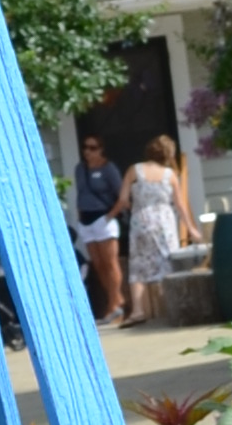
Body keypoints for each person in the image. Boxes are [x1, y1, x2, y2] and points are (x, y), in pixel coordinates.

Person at [121, 133, 192, 322]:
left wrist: (136, 207)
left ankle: (138, 311)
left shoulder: (134, 170)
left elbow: (123, 199)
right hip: (164, 223)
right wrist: (191, 228)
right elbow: (180, 205)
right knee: (167, 262)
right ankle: (170, 308)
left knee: (138, 265)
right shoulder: (170, 175)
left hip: (141, 220)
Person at [72, 129, 128, 326]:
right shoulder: (80, 169)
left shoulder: (108, 169)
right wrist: (79, 215)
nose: (88, 151)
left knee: (110, 262)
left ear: (101, 149)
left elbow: (122, 196)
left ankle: (114, 304)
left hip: (103, 218)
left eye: (92, 148)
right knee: (98, 264)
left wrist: (109, 216)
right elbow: (81, 193)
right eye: (85, 148)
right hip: (86, 220)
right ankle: (116, 300)